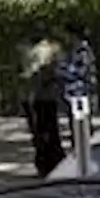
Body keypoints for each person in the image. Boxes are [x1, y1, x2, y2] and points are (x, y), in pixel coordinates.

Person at [22, 24, 66, 177]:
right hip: (44, 95)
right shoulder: (52, 48)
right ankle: (50, 161)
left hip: (39, 95)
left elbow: (42, 71)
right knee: (48, 129)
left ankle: (47, 162)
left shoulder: (38, 49)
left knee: (42, 130)